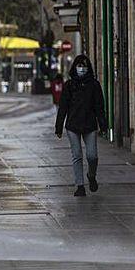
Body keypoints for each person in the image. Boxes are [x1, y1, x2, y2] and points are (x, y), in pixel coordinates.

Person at [55, 54, 107, 197]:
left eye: (84, 66)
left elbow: (99, 107)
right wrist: (58, 127)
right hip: (72, 126)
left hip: (90, 125)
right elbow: (63, 107)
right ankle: (79, 185)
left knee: (92, 156)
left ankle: (91, 175)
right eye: (79, 66)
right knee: (77, 155)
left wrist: (103, 125)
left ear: (88, 68)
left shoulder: (94, 85)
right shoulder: (69, 86)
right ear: (75, 68)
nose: (81, 69)